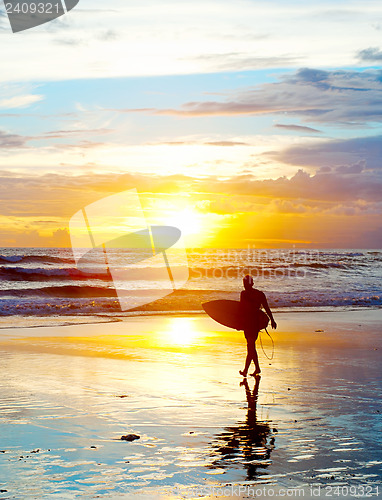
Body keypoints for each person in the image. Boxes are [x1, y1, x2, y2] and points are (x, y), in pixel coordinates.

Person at [239, 274, 277, 378]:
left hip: (252, 323)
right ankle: (257, 368)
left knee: (250, 346)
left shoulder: (246, 294)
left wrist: (272, 320)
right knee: (251, 346)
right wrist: (272, 320)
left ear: (249, 284)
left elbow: (242, 310)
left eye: (245, 283)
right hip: (250, 323)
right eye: (244, 283)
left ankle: (246, 370)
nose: (244, 285)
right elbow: (243, 310)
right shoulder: (258, 294)